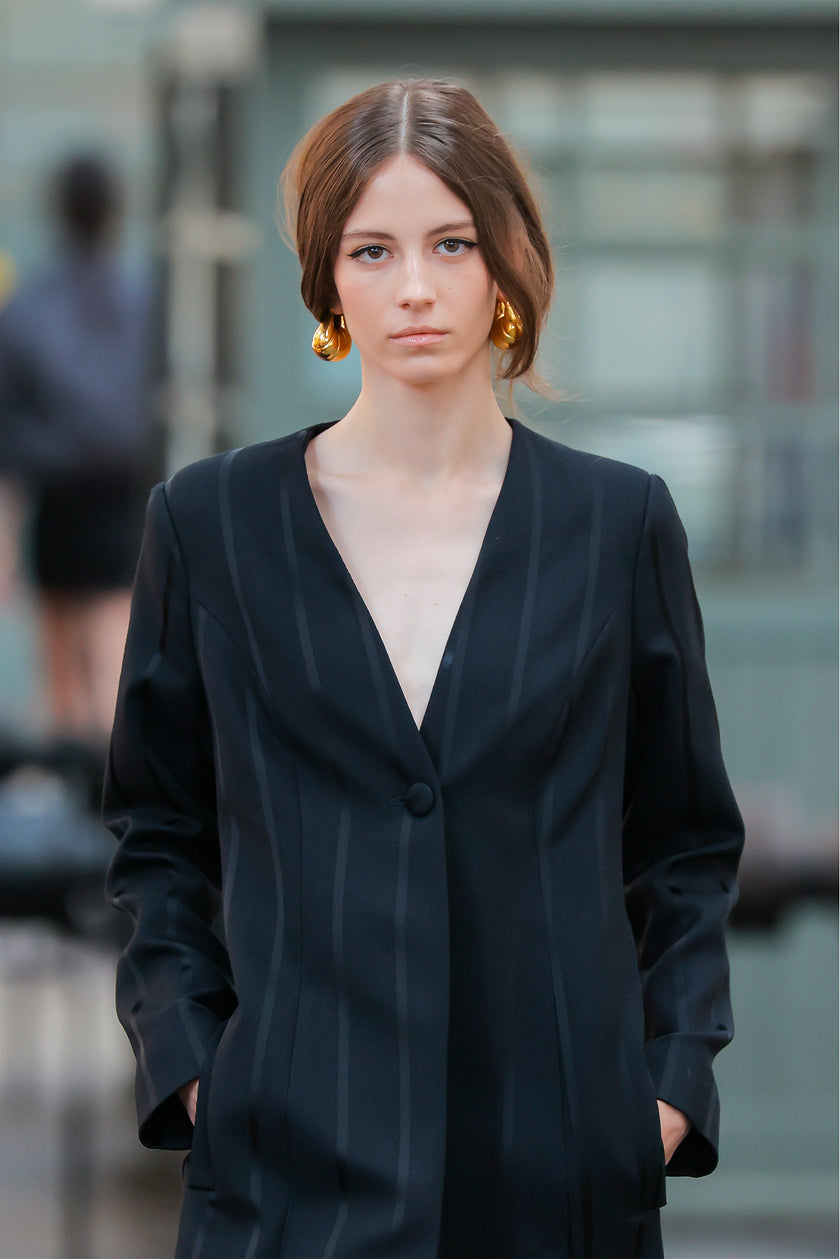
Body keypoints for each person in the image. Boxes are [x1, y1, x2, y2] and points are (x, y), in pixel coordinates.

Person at [103, 80, 743, 1259]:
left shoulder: (617, 524)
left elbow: (685, 840)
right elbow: (157, 829)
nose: (414, 286)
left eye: (451, 243)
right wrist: (195, 1067)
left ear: (506, 263)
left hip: (556, 1172)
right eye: (373, 247)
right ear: (326, 280)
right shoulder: (211, 523)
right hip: (288, 1175)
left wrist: (666, 1085)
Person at [0, 154, 153, 743]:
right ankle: (108, 802)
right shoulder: (141, 300)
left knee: (61, 668)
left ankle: (70, 797)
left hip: (58, 501)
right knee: (113, 653)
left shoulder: (28, 305)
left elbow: (9, 427)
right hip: (120, 495)